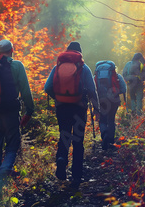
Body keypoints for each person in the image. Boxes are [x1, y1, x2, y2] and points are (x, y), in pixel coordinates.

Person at [0, 39, 34, 191]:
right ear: (12, 50)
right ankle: (5, 171)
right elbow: (26, 92)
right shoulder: (17, 65)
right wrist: (29, 111)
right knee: (12, 146)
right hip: (10, 114)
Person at [44, 41, 99, 187]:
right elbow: (92, 90)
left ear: (67, 51)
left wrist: (58, 98)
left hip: (62, 108)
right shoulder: (83, 67)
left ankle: (61, 158)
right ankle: (76, 175)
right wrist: (96, 108)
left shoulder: (57, 67)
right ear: (79, 53)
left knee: (64, 135)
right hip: (79, 108)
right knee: (78, 140)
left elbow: (47, 87)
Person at [94, 61, 127, 150]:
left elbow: (92, 89)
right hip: (114, 100)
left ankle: (104, 134)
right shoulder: (117, 76)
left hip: (101, 100)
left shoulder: (95, 77)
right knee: (111, 119)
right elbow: (123, 89)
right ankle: (111, 141)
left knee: (103, 119)